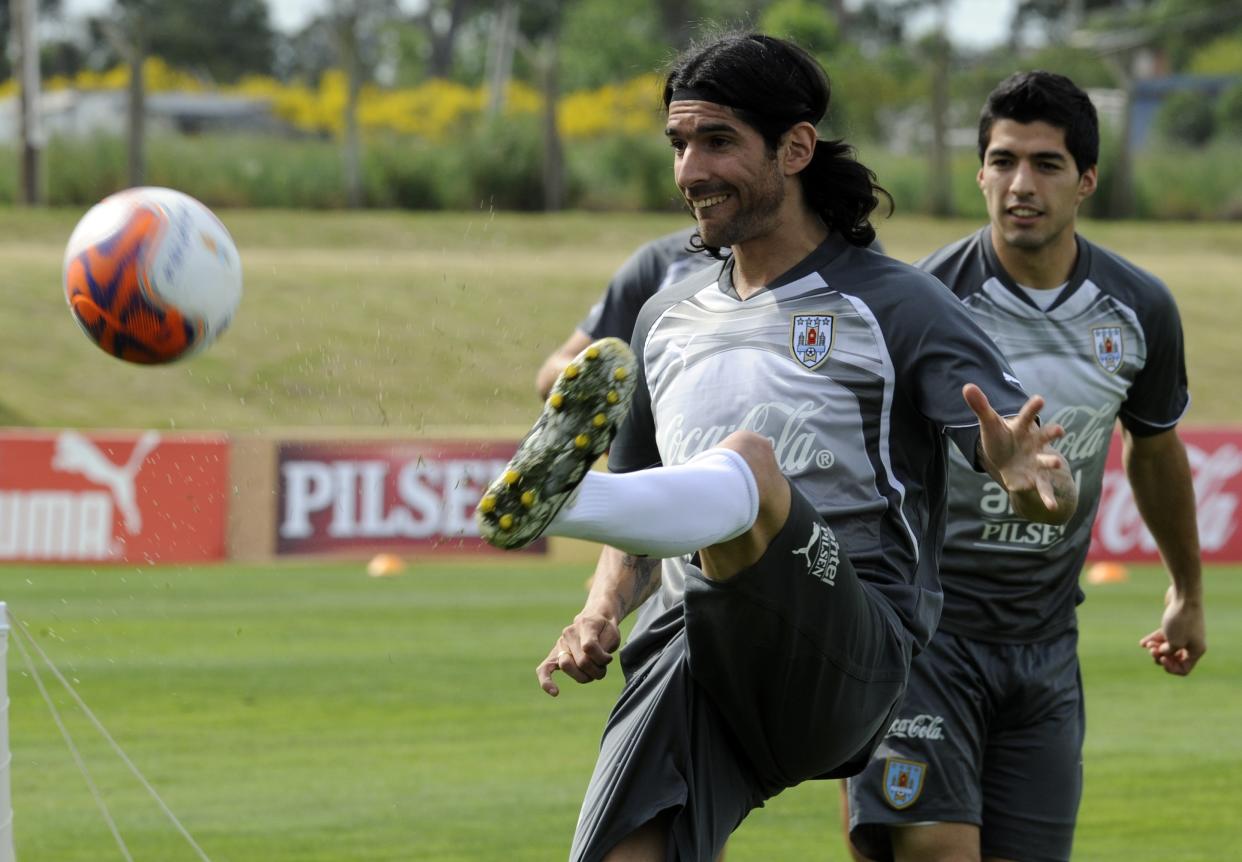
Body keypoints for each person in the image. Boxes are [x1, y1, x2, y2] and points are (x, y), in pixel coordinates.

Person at [477, 34, 1077, 862]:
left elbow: (1046, 475)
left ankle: (566, 499)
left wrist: (1024, 471)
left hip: (848, 642)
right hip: (694, 648)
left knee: (751, 467)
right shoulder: (663, 319)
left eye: (717, 141)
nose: (690, 170)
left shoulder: (898, 304)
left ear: (795, 148)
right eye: (679, 144)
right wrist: (598, 610)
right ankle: (575, 498)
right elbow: (647, 498)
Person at [845, 71, 1207, 862]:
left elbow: (1154, 447)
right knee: (937, 850)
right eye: (1003, 161)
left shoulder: (1140, 309)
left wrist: (1185, 588)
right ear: (979, 173)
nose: (1020, 185)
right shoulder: (918, 302)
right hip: (926, 637)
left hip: (1046, 646)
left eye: (1045, 164)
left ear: (1086, 181)